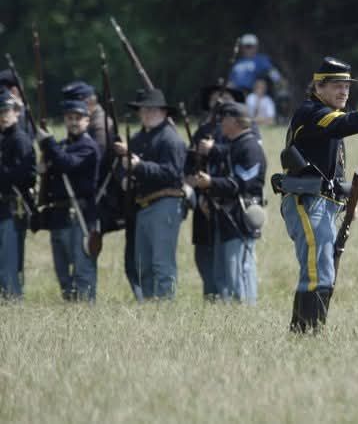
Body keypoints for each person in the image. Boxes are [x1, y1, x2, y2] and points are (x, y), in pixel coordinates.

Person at [277, 56, 358, 333]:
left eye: (347, 86)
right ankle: (306, 333)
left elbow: (331, 168)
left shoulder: (325, 115)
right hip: (307, 202)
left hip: (324, 203)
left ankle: (310, 330)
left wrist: (347, 201)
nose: (344, 91)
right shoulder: (313, 113)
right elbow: (344, 123)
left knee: (324, 270)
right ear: (318, 87)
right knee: (318, 269)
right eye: (336, 85)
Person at [114, 89, 187, 301]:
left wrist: (140, 166)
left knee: (162, 263)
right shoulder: (139, 139)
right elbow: (124, 167)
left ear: (163, 112)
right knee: (142, 264)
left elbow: (172, 173)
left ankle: (165, 307)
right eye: (143, 110)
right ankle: (148, 305)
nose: (147, 114)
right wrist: (124, 176)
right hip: (143, 206)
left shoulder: (170, 139)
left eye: (152, 110)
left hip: (165, 202)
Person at [190, 101, 266, 303]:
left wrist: (211, 182)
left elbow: (241, 183)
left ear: (235, 121)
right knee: (223, 272)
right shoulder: (233, 146)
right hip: (224, 215)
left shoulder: (250, 147)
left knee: (239, 270)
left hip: (240, 216)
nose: (220, 123)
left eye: (224, 118)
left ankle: (245, 312)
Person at [35, 98, 101, 301]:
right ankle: (71, 312)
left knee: (82, 270)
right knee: (63, 272)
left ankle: (86, 315)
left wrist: (48, 143)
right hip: (60, 215)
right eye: (70, 118)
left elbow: (67, 164)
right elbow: (54, 170)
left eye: (78, 118)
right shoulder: (61, 146)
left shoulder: (89, 147)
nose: (73, 122)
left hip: (79, 216)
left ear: (87, 121)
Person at [0, 88, 36, 299]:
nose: (4, 116)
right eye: (0, 112)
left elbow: (26, 176)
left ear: (16, 112)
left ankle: (13, 303)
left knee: (9, 266)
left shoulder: (20, 140)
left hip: (13, 208)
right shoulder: (4, 139)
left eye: (7, 111)